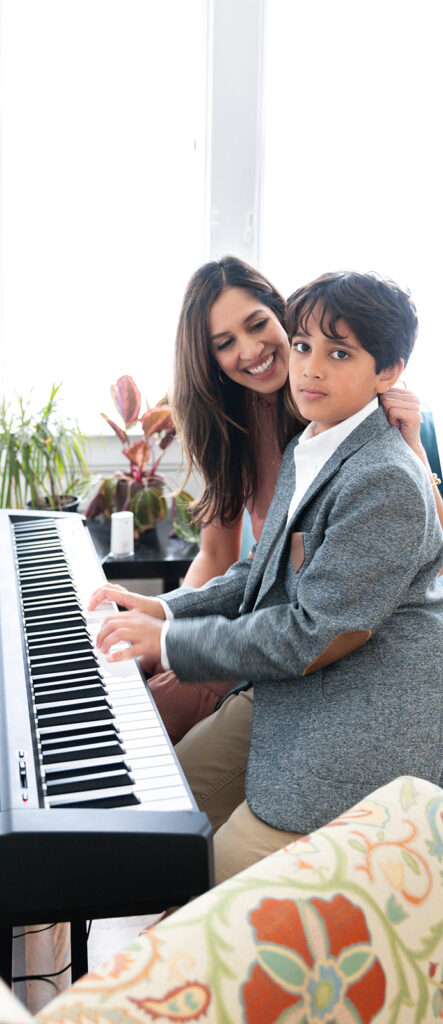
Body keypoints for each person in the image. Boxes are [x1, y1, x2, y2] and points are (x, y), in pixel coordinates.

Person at [91, 269, 443, 884]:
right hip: (292, 685)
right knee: (164, 814)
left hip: (354, 719)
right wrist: (164, 611)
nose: (308, 368)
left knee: (213, 889)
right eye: (304, 347)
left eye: (338, 354)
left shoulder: (383, 473)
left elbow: (314, 635)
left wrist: (172, 644)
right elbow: (258, 566)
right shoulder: (315, 440)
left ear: (388, 372)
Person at [144, 257, 443, 743]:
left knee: (158, 718)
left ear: (282, 317)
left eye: (258, 325)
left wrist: (411, 446)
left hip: (314, 630)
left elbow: (426, 554)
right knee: (142, 683)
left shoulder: (362, 415)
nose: (250, 350)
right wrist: (165, 617)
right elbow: (222, 557)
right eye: (224, 343)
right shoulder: (234, 423)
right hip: (262, 615)